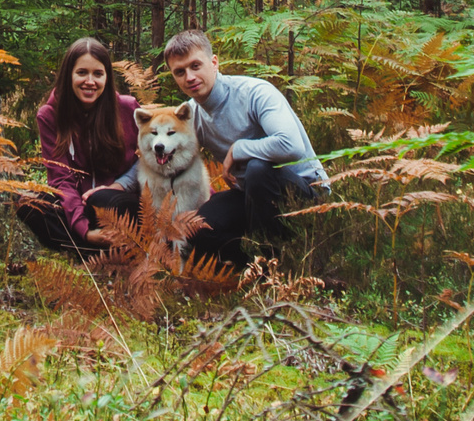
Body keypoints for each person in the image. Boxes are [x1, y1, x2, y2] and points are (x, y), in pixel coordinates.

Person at [111, 28, 329, 266]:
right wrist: (119, 186)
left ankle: (277, 265)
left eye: (196, 66)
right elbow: (159, 155)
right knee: (197, 229)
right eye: (180, 72)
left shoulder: (255, 93)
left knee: (258, 168)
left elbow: (291, 146)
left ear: (214, 62)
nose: (190, 77)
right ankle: (252, 261)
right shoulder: (190, 115)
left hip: (305, 191)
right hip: (249, 195)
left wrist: (239, 149)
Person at [17, 37, 140, 258]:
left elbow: (153, 158)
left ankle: (93, 251)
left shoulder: (127, 108)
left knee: (103, 201)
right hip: (77, 206)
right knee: (29, 204)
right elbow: (60, 178)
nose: (90, 81)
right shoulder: (50, 116)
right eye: (82, 72)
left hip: (118, 202)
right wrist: (84, 230)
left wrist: (118, 187)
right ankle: (95, 248)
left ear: (107, 77)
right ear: (69, 75)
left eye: (98, 74)